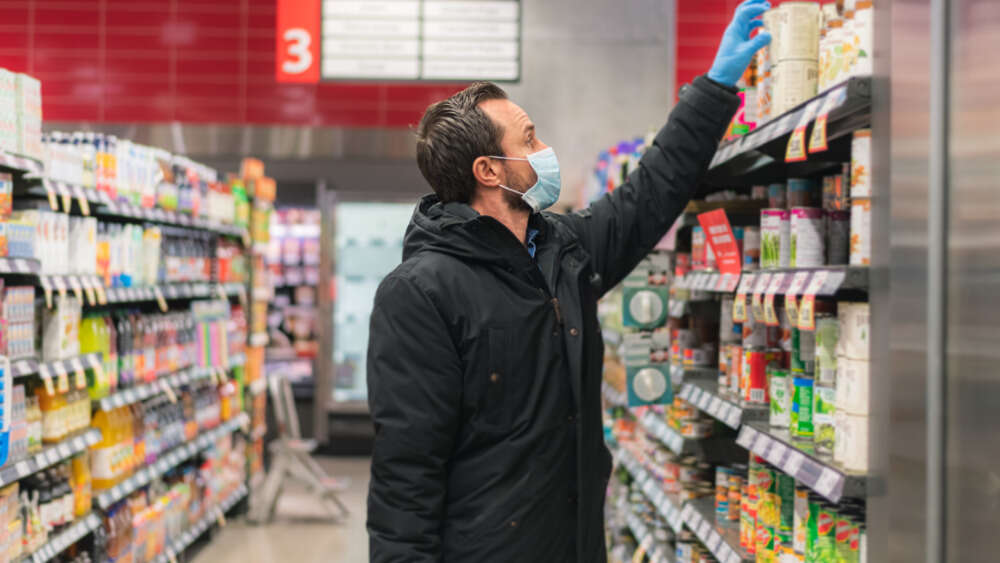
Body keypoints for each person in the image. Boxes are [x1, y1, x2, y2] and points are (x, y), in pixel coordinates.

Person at [366, 1, 772, 561]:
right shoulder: (420, 293)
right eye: (529, 140)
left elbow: (647, 195)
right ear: (489, 171)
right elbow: (405, 474)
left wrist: (714, 86)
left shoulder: (563, 249)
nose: (544, 150)